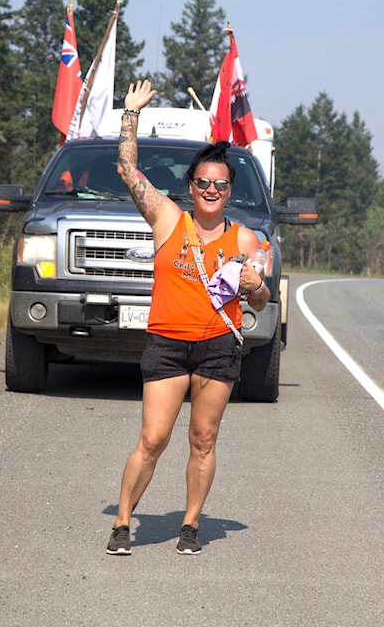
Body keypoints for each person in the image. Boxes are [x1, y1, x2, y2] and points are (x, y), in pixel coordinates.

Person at [106, 81, 269, 556]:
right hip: (168, 343)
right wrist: (130, 114)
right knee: (153, 438)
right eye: (203, 183)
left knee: (203, 438)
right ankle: (122, 521)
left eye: (220, 184)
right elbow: (126, 169)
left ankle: (191, 525)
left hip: (219, 344)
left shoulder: (245, 240)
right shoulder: (167, 219)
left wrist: (254, 286)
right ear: (191, 187)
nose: (212, 190)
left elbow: (259, 303)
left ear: (229, 189)